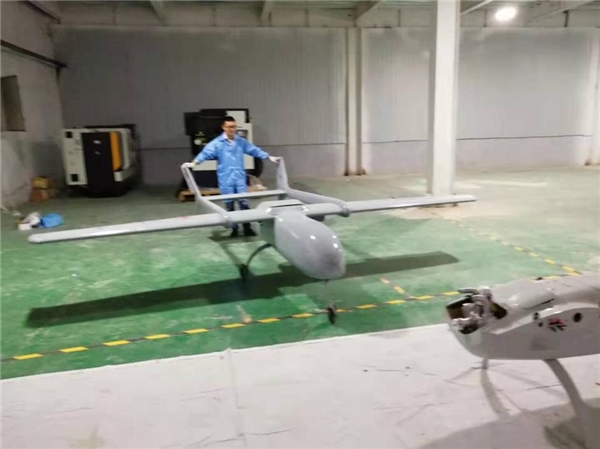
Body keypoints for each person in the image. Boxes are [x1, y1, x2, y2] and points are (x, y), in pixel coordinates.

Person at [191, 116, 281, 237]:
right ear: (223, 127)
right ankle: (234, 228)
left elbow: (253, 150)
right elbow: (206, 153)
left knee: (244, 203)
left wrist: (268, 156)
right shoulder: (217, 143)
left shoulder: (240, 142)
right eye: (229, 127)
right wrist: (195, 162)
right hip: (226, 177)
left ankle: (247, 227)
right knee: (229, 204)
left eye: (233, 127)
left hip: (239, 177)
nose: (231, 129)